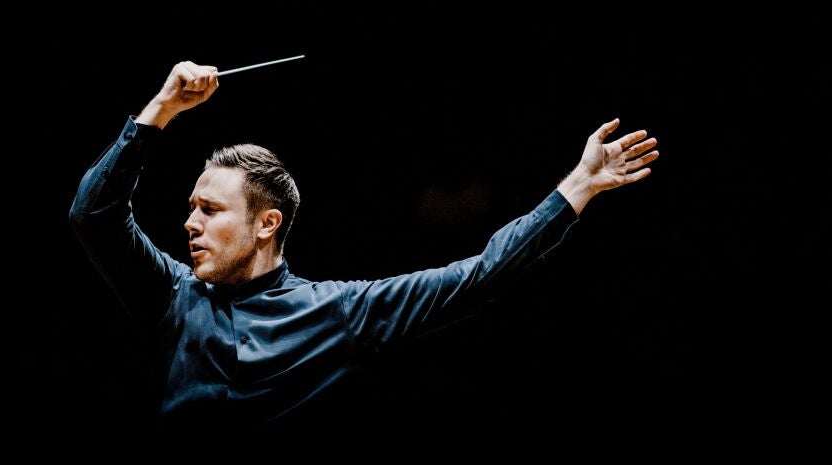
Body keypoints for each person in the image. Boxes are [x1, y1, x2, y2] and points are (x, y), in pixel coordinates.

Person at [69, 60, 659, 436]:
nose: (189, 223)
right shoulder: (171, 295)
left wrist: (578, 187)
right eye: (192, 207)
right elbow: (92, 214)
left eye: (210, 209)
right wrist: (161, 111)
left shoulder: (339, 312)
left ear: (267, 224)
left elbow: (480, 275)